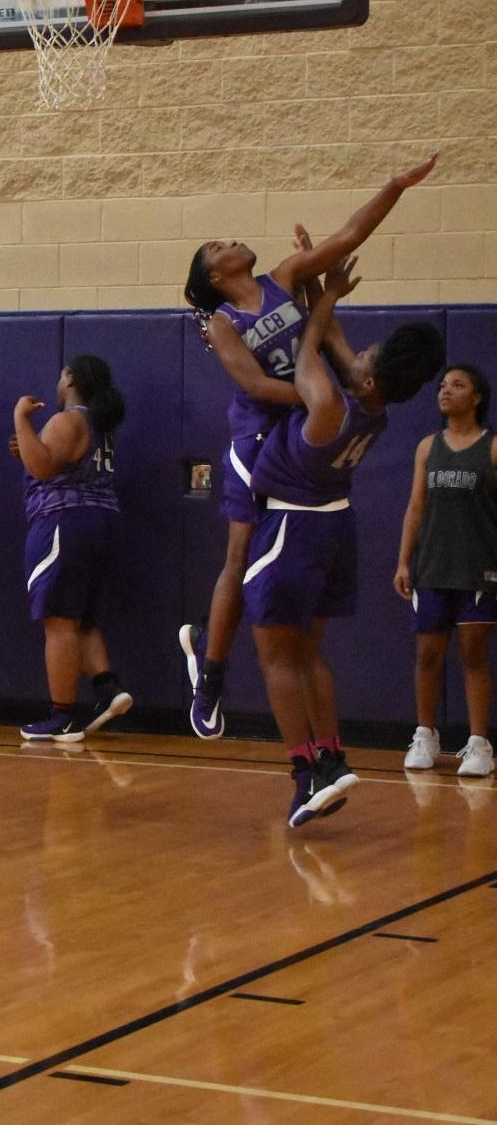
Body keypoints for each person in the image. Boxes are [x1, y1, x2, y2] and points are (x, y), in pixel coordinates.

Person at [180, 152, 439, 740]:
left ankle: (310, 733)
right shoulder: (220, 320)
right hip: (261, 432)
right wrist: (319, 399)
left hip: (307, 430)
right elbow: (254, 384)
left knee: (293, 560)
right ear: (216, 275)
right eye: (216, 245)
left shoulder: (285, 278)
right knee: (240, 555)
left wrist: (395, 186)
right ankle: (210, 673)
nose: (230, 240)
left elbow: (349, 234)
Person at [244, 258, 444, 826]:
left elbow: (312, 346)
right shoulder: (373, 410)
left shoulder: (329, 404)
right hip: (334, 527)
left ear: (369, 379)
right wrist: (315, 286)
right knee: (308, 651)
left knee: (276, 656)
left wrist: (324, 295)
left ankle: (304, 774)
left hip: (292, 527)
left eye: (366, 358)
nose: (358, 355)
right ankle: (333, 758)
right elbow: (331, 338)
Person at [12, 353, 133, 743]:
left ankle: (62, 716)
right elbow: (51, 457)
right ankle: (107, 688)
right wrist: (31, 443)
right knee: (79, 618)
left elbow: (42, 468)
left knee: (58, 621)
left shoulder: (66, 419)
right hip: (103, 522)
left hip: (65, 521)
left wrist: (20, 418)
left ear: (69, 378)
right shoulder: (101, 426)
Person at [394, 364, 497, 778]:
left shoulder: (491, 447)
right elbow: (416, 508)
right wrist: (404, 560)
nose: (446, 390)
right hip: (432, 566)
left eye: (458, 385)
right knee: (428, 656)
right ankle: (425, 734)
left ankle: (478, 743)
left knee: (473, 655)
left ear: (476, 397)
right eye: (442, 384)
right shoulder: (426, 447)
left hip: (478, 567)